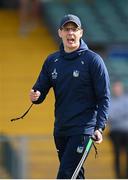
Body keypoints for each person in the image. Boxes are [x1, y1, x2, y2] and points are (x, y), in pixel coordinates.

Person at [29, 14, 110, 179]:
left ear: (81, 33)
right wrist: (35, 95)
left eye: (74, 29)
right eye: (66, 29)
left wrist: (99, 127)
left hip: (83, 130)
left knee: (66, 175)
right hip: (61, 129)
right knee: (75, 175)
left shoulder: (93, 60)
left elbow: (104, 98)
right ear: (60, 33)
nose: (70, 33)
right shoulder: (52, 61)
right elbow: (40, 90)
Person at [109, 81, 128, 179]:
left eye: (118, 87)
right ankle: (118, 177)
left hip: (126, 131)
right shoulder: (110, 101)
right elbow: (108, 116)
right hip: (115, 132)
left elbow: (112, 115)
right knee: (116, 155)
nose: (116, 89)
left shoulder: (126, 98)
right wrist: (122, 114)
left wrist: (116, 114)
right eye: (115, 87)